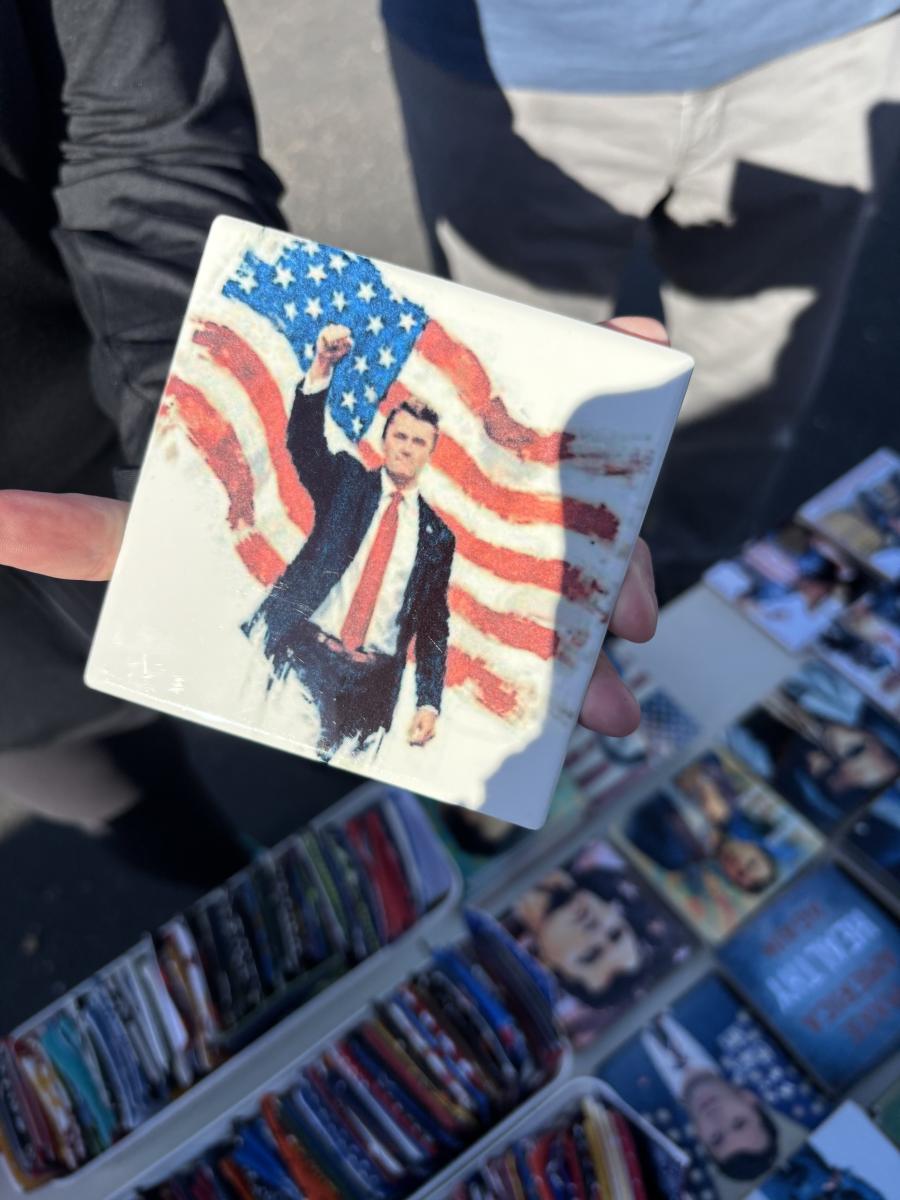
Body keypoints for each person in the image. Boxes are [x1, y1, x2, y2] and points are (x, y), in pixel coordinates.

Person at [380, 0, 900, 594]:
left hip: (827, 43)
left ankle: (679, 593)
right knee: (510, 418)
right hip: (505, 55)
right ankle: (518, 605)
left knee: (740, 418)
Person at [0, 0, 283, 882]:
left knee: (332, 698)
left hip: (124, 453)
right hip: (17, 704)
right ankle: (244, 889)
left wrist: (208, 435)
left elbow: (144, 129)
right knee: (136, 808)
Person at [243, 323, 455, 758]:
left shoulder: (436, 537)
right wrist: (323, 366)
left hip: (370, 686)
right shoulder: (346, 483)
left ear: (430, 452)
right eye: (400, 436)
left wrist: (429, 702)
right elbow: (303, 444)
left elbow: (433, 623)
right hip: (307, 654)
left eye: (418, 442)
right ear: (385, 439)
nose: (407, 448)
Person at [508, 858, 679, 1011]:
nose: (597, 929)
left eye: (590, 955)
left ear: (549, 965)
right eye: (614, 933)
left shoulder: (496, 919)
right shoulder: (569, 843)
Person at [642, 1012, 780, 1182]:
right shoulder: (729, 1014)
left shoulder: (633, 1098)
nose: (717, 1117)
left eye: (716, 1138)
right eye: (738, 1123)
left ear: (699, 1138)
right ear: (750, 1099)